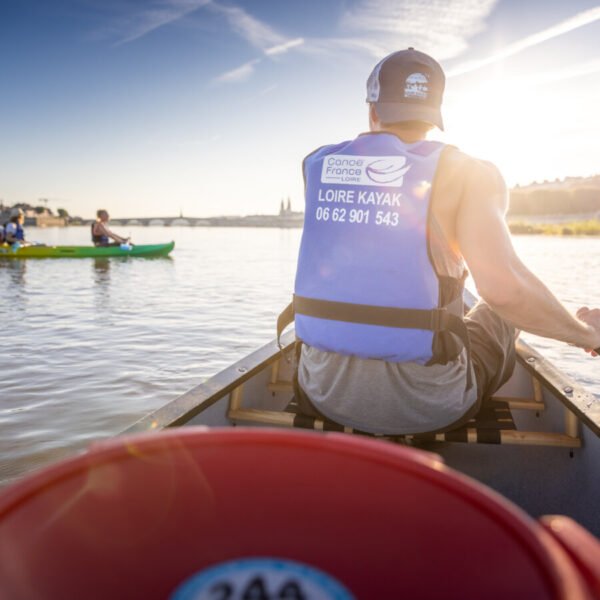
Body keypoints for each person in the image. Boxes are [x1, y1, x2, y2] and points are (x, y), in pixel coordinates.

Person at [285, 48, 600, 436]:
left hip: (322, 393)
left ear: (372, 110)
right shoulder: (470, 173)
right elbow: (506, 292)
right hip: (430, 406)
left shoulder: (316, 163)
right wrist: (585, 333)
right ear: (435, 118)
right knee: (502, 305)